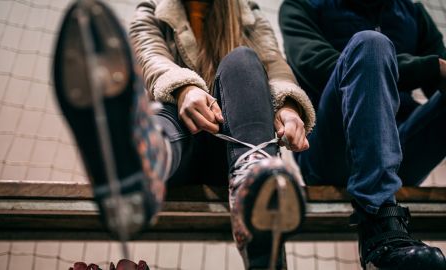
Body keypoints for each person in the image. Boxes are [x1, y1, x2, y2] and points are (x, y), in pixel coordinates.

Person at [53, 0, 316, 269]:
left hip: (235, 148)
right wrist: (184, 89)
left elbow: (274, 63)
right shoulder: (151, 9)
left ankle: (255, 189)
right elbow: (150, 57)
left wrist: (289, 106)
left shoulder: (248, 12)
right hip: (179, 146)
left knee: (243, 60)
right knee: (165, 108)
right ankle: (143, 159)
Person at [279, 0, 446, 269]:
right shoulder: (304, 5)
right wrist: (428, 67)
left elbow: (441, 76)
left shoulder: (412, 12)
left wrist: (434, 69)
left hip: (402, 150)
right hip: (332, 153)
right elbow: (317, 65)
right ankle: (379, 229)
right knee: (371, 45)